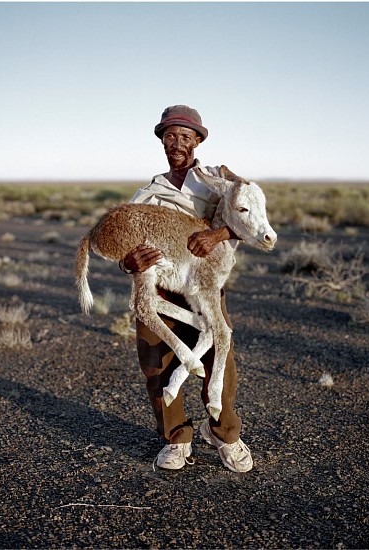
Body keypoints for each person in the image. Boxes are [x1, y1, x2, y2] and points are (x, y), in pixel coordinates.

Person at [119, 105, 253, 473]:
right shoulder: (148, 191)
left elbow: (251, 210)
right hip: (160, 289)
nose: (176, 143)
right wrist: (128, 263)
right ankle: (176, 437)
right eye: (169, 136)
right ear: (162, 141)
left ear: (197, 140)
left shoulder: (216, 179)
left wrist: (218, 234)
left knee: (218, 360)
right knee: (157, 363)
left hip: (204, 285)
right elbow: (125, 242)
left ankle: (225, 434)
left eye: (184, 136)